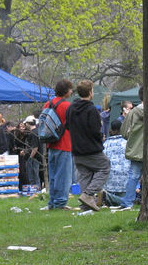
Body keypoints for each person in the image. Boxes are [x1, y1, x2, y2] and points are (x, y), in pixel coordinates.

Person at [65, 80, 110, 211]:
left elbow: (67, 126)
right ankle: (88, 195)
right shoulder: (92, 109)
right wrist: (100, 137)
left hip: (77, 149)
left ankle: (86, 205)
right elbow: (96, 130)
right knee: (105, 167)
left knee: (85, 174)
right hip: (91, 149)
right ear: (90, 92)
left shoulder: (71, 108)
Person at [44, 79, 75, 210]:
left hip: (51, 143)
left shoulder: (48, 104)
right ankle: (61, 202)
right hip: (64, 143)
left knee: (53, 175)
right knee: (64, 175)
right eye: (70, 89)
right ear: (67, 91)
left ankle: (52, 201)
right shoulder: (67, 106)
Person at [120, 92, 144, 209]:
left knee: (133, 176)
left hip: (136, 149)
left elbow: (124, 132)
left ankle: (128, 202)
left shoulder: (133, 112)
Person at [12, 116, 42, 194]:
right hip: (37, 157)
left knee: (34, 176)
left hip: (34, 158)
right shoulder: (37, 131)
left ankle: (36, 191)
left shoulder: (33, 133)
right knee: (34, 175)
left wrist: (30, 158)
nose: (25, 126)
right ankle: (35, 190)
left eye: (26, 124)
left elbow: (35, 148)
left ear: (29, 123)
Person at [102, 126, 130, 206]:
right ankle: (108, 197)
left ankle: (106, 196)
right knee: (124, 200)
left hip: (109, 177)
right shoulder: (126, 143)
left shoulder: (106, 144)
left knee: (110, 199)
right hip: (124, 178)